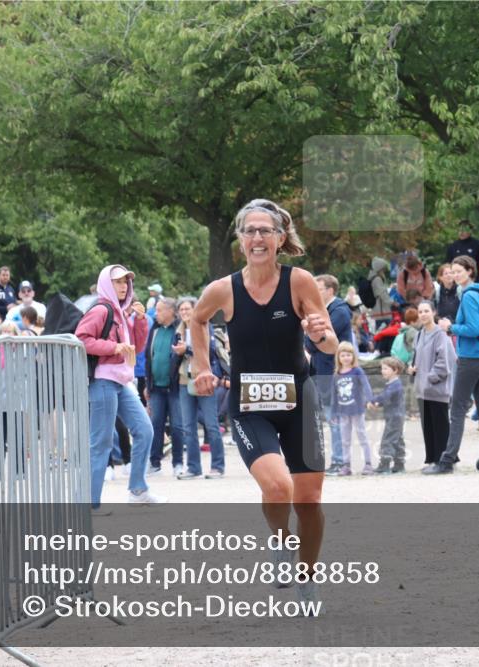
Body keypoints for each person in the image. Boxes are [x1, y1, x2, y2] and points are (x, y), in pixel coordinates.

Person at [189, 198, 336, 611]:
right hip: (249, 403)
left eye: (265, 231)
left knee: (308, 501)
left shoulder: (300, 282)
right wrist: (202, 366)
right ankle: (279, 543)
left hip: (299, 399)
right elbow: (197, 319)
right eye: (250, 231)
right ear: (240, 239)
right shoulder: (224, 289)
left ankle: (307, 580)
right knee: (278, 486)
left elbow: (330, 343)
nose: (257, 238)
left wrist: (321, 334)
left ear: (280, 237)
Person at [76, 264, 160, 513]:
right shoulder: (102, 309)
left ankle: (137, 490)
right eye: (118, 282)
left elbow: (137, 346)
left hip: (121, 381)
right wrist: (113, 348)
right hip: (103, 381)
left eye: (126, 282)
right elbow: (81, 339)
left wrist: (142, 320)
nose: (124, 286)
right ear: (106, 284)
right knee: (100, 443)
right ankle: (90, 504)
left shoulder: (122, 312)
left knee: (145, 429)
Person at [423, 255, 479, 474]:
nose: (456, 275)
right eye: (453, 271)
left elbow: (474, 329)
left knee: (457, 409)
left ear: (470, 271)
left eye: (459, 271)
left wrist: (450, 328)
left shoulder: (469, 296)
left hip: (471, 358)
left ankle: (447, 461)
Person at [174, 296, 225, 479]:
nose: (185, 313)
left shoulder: (205, 326)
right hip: (184, 381)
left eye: (188, 309)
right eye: (182, 310)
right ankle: (193, 467)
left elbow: (208, 351)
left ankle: (218, 466)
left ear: (195, 310)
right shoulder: (178, 331)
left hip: (204, 379)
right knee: (188, 427)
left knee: (211, 425)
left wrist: (186, 349)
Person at [309, 274, 354, 476]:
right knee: (329, 416)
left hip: (333, 371)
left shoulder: (340, 311)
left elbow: (320, 337)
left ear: (330, 290)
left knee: (334, 417)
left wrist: (311, 339)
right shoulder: (323, 311)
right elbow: (310, 338)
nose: (314, 293)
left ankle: (340, 461)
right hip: (322, 370)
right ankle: (337, 460)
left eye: (318, 289)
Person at [144, 297, 188, 475]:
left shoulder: (179, 330)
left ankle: (178, 463)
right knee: (155, 424)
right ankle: (155, 463)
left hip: (175, 387)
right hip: (156, 387)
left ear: (171, 311)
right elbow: (149, 357)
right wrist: (148, 384)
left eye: (160, 310)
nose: (156, 313)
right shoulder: (154, 329)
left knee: (177, 425)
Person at [409, 300, 456, 467]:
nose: (423, 314)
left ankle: (445, 459)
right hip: (422, 389)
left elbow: (446, 361)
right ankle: (432, 459)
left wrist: (430, 378)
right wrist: (412, 367)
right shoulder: (419, 335)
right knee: (428, 426)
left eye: (426, 311)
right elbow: (415, 357)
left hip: (436, 388)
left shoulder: (441, 334)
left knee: (440, 425)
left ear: (434, 312)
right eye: (420, 312)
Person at [330, 341, 374, 476]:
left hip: (357, 410)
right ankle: (346, 465)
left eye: (348, 355)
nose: (346, 358)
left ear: (353, 356)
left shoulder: (357, 371)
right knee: (345, 440)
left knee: (362, 436)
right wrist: (333, 413)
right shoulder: (337, 374)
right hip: (343, 412)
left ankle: (368, 464)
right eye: (343, 355)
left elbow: (366, 386)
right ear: (339, 357)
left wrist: (370, 399)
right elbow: (334, 395)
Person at [368, 356, 407, 474]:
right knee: (397, 439)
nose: (382, 371)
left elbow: (385, 396)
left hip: (395, 417)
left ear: (395, 370)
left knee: (388, 440)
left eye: (385, 368)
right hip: (395, 416)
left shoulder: (395, 385)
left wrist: (374, 402)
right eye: (382, 368)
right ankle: (399, 465)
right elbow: (385, 396)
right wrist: (376, 401)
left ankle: (384, 465)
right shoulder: (392, 383)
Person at [367, 257, 393, 330]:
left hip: (379, 311)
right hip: (382, 312)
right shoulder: (377, 279)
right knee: (385, 331)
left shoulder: (372, 278)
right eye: (383, 268)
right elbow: (382, 294)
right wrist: (392, 302)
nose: (384, 270)